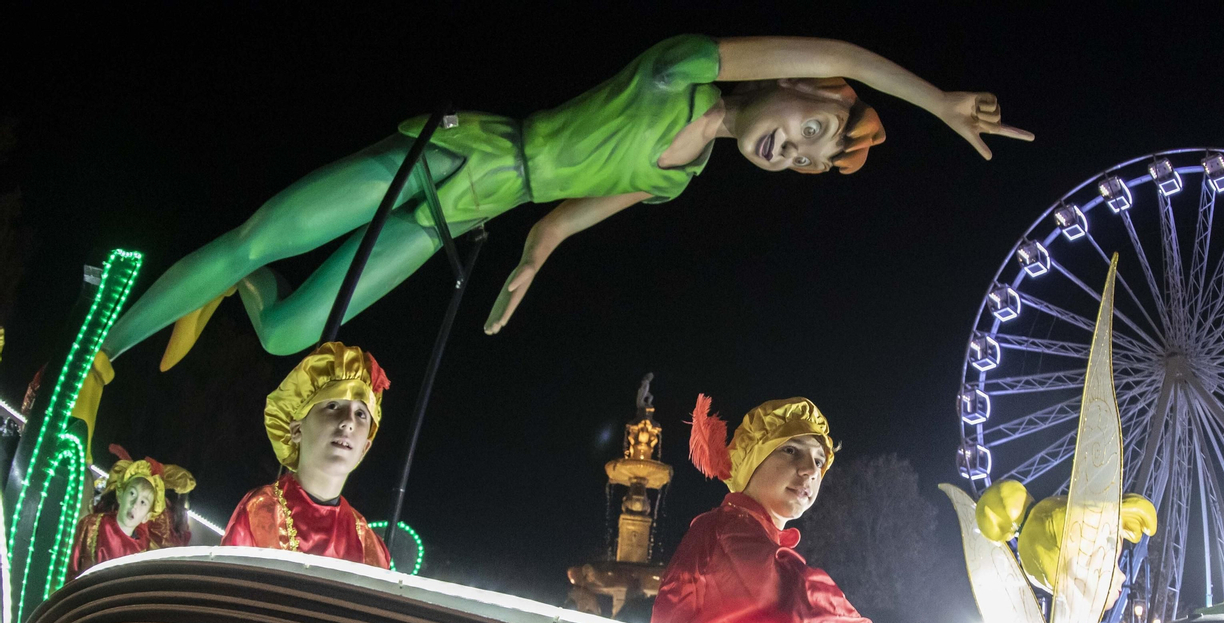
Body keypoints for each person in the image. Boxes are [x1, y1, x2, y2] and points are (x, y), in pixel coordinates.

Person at [97, 35, 1031, 366]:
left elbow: (565, 211)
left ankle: (233, 296)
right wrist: (938, 101)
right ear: (810, 88)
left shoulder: (679, 173)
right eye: (816, 129)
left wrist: (532, 265)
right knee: (258, 236)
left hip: (457, 219)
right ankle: (97, 353)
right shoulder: (675, 72)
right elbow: (846, 52)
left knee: (288, 335)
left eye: (804, 165)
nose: (795, 152)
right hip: (447, 155)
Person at [652, 394, 916, 623]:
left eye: (819, 460)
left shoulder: (738, 532)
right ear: (751, 461)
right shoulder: (728, 532)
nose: (810, 470)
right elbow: (802, 620)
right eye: (790, 451)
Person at [221, 341, 392, 568]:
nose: (348, 422)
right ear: (297, 429)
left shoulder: (370, 547)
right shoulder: (261, 513)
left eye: (361, 413)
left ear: (365, 448)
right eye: (333, 406)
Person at [66, 455, 166, 580]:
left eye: (143, 502)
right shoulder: (92, 525)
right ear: (120, 495)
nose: (134, 504)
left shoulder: (143, 551)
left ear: (147, 516)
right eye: (132, 493)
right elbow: (69, 569)